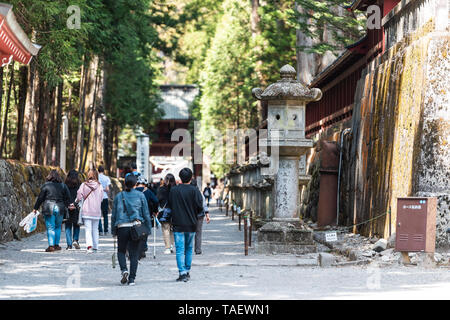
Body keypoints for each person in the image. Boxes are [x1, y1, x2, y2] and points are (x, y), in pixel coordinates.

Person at [111, 174, 152, 286]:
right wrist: (148, 228)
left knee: (121, 251)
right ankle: (132, 279)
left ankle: (124, 270)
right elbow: (146, 213)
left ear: (125, 184)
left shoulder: (119, 196)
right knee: (134, 254)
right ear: (135, 184)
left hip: (122, 227)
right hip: (135, 227)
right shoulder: (140, 195)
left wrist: (113, 230)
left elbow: (114, 215)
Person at [168, 168, 204, 282]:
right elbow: (200, 206)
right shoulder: (195, 190)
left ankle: (182, 272)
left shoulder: (174, 190)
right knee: (189, 248)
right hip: (191, 223)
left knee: (179, 249)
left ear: (180, 177)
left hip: (178, 223)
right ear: (191, 177)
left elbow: (170, 205)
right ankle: (187, 270)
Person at [33, 170, 71, 252]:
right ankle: (56, 245)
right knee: (58, 227)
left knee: (51, 227)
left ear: (49, 176)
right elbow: (68, 197)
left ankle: (51, 246)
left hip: (49, 208)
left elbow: (40, 198)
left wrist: (35, 208)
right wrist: (68, 205)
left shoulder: (46, 186)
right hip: (60, 208)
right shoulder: (63, 186)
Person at [76, 169, 103, 253]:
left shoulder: (84, 185)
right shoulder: (99, 186)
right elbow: (101, 198)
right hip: (96, 210)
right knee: (95, 229)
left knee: (88, 229)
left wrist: (76, 201)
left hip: (87, 210)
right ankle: (96, 247)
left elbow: (79, 197)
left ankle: (89, 247)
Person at [134, 176, 159, 259]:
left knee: (135, 232)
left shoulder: (132, 191)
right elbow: (155, 201)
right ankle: (142, 250)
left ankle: (136, 249)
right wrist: (155, 211)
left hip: (135, 215)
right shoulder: (148, 191)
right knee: (144, 233)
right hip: (146, 214)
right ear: (145, 184)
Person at [157, 173, 176, 254]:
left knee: (166, 229)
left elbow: (157, 200)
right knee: (172, 230)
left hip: (164, 212)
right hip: (175, 212)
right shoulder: (176, 189)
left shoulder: (161, 189)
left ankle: (167, 247)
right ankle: (171, 245)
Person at [191, 179, 211, 255]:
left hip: (190, 215)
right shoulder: (199, 193)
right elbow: (204, 204)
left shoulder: (188, 193)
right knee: (198, 232)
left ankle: (187, 249)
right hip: (200, 215)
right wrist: (207, 215)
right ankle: (198, 249)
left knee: (188, 232)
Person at [65, 170, 82, 250]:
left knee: (68, 225)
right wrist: (74, 204)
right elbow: (80, 196)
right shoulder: (80, 185)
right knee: (76, 224)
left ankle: (69, 245)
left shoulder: (65, 184)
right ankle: (75, 240)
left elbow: (64, 196)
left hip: (68, 207)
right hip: (76, 207)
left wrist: (68, 204)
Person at [98, 166, 111, 236]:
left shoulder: (96, 178)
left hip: (97, 197)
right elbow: (107, 189)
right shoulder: (106, 178)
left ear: (98, 171)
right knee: (105, 214)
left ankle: (100, 230)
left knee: (98, 214)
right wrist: (104, 189)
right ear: (103, 171)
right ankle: (106, 230)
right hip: (105, 197)